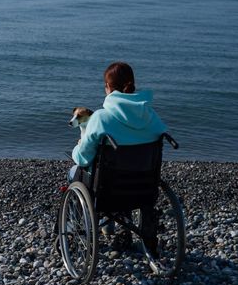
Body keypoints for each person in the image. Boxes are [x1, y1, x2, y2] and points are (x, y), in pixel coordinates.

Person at [69, 61, 167, 253]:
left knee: (74, 172)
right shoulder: (151, 116)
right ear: (132, 85)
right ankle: (124, 229)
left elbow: (82, 158)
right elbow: (162, 134)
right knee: (125, 171)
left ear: (107, 87)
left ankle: (76, 232)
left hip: (108, 188)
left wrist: (76, 148)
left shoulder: (100, 117)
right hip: (144, 186)